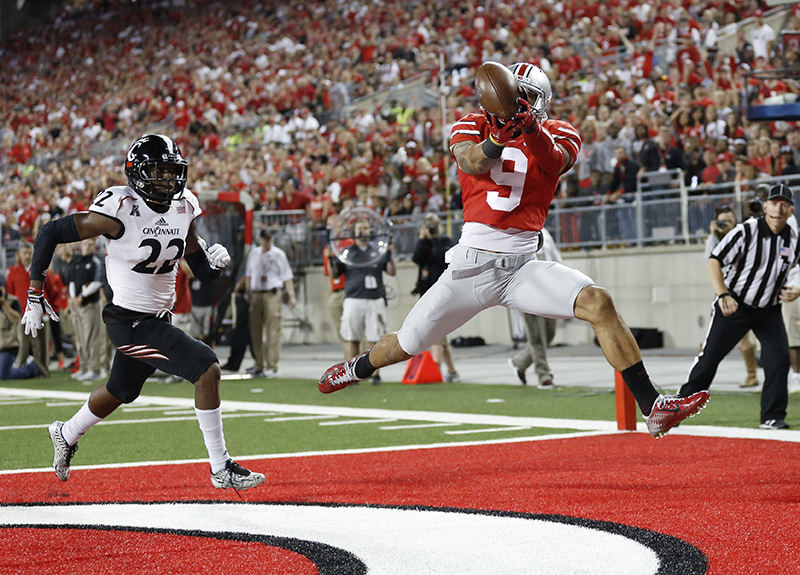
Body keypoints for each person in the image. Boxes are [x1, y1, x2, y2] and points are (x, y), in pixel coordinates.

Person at [318, 62, 709, 438]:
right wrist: (499, 137)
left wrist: (530, 128)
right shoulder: (473, 123)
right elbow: (471, 163)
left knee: (598, 302)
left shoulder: (559, 130)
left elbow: (554, 162)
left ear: (539, 101)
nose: (515, 103)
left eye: (524, 98)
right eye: (512, 96)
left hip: (522, 267)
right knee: (405, 344)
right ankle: (359, 367)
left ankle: (653, 406)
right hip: (470, 269)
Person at [22, 134, 264, 490]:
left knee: (121, 390)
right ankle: (220, 467)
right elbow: (49, 233)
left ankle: (66, 432)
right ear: (137, 172)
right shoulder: (119, 207)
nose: (168, 179)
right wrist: (34, 293)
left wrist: (215, 264)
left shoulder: (185, 206)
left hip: (157, 318)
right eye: (158, 171)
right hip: (128, 321)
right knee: (207, 368)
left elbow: (197, 263)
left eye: (172, 172)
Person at [678, 184, 800, 430]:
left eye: (784, 204)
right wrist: (723, 293)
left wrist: (798, 289)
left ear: (791, 210)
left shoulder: (794, 239)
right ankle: (680, 407)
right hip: (736, 305)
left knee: (778, 359)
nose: (778, 208)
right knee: (710, 357)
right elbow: (714, 261)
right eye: (774, 203)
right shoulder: (746, 231)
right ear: (765, 206)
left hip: (769, 309)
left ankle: (772, 416)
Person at [331, 216, 396, 385]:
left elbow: (391, 271)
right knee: (353, 337)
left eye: (365, 228)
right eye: (359, 228)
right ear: (353, 232)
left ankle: (376, 374)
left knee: (375, 338)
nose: (362, 231)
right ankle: (353, 374)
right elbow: (335, 274)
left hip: (374, 298)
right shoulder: (347, 252)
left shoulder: (378, 251)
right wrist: (333, 258)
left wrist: (390, 253)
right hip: (354, 297)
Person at [704, 206, 759, 389]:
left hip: (740, 293)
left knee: (743, 338)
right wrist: (713, 235)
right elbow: (708, 261)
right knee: (712, 340)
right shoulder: (715, 240)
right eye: (721, 221)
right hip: (721, 292)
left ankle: (752, 375)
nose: (724, 224)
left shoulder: (743, 236)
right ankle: (702, 378)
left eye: (728, 221)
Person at [508, 227, 561, 389]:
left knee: (549, 334)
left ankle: (520, 362)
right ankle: (544, 375)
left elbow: (556, 259)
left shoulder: (545, 234)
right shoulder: (514, 233)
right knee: (536, 335)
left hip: (548, 290)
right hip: (526, 291)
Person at [411, 212, 459, 381]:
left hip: (443, 291)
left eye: (433, 225)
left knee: (437, 330)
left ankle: (437, 367)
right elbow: (417, 259)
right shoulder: (424, 243)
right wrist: (423, 240)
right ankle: (452, 371)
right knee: (438, 330)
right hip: (426, 292)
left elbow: (442, 258)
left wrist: (434, 239)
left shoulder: (445, 242)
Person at [244, 229, 296, 377]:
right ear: (260, 239)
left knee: (273, 329)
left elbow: (287, 276)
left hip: (272, 293)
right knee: (255, 331)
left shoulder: (279, 254)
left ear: (272, 239)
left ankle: (272, 365)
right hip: (256, 294)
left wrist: (291, 295)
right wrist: (248, 291)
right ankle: (259, 364)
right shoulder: (254, 254)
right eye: (264, 239)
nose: (267, 242)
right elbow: (248, 274)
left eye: (269, 239)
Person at [6, 243, 51, 377]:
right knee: (23, 344)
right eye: (24, 253)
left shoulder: (39, 270)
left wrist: (45, 311)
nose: (26, 256)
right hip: (21, 314)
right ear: (19, 255)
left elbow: (45, 291)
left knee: (39, 345)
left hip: (37, 313)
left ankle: (42, 371)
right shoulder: (13, 272)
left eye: (29, 253)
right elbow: (10, 294)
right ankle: (20, 369)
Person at [65, 237, 107, 381]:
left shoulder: (95, 262)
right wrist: (73, 297)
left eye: (90, 244)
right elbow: (71, 281)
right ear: (81, 245)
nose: (87, 246)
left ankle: (93, 368)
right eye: (85, 244)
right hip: (77, 305)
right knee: (80, 339)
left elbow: (97, 283)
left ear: (94, 247)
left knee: (91, 338)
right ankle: (83, 367)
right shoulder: (76, 262)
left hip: (89, 305)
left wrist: (81, 296)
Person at [0, 281, 39, 380]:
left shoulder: (12, 301)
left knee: (3, 375)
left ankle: (31, 368)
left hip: (9, 346)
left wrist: (4, 304)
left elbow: (16, 319)